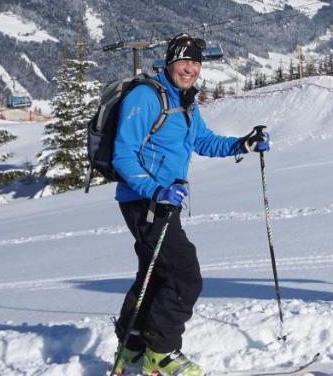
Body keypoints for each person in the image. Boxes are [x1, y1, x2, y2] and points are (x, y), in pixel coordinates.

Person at [111, 33, 271, 376]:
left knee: (153, 277)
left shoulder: (184, 101)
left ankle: (132, 349)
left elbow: (202, 140)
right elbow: (122, 155)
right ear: (169, 62)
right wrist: (155, 191)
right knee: (186, 275)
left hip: (166, 201)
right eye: (184, 61)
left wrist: (243, 144)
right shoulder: (146, 97)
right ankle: (161, 353)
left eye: (196, 63)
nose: (190, 69)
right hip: (146, 201)